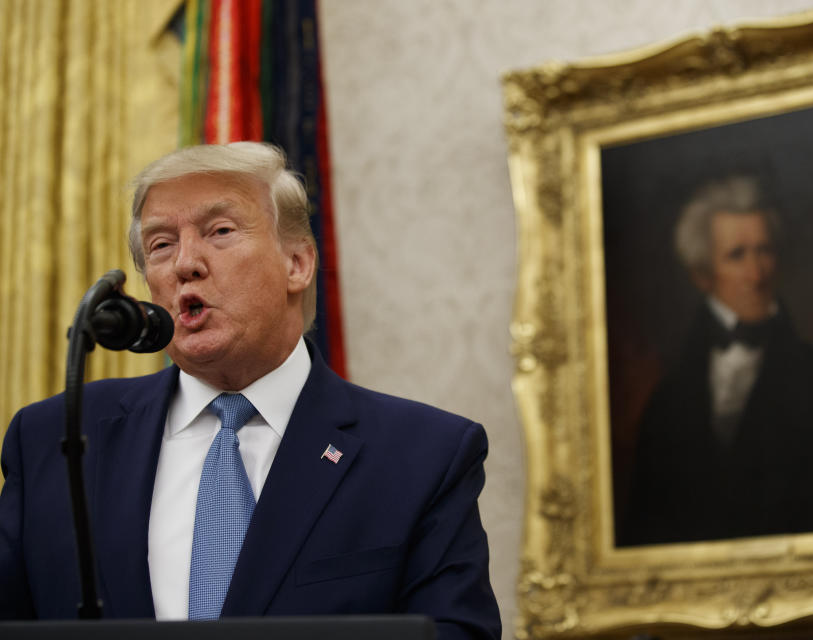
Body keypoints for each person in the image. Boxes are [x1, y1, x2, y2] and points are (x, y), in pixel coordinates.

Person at [0, 142, 501, 639]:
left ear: (297, 265)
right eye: (161, 245)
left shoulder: (423, 456)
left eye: (219, 231)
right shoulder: (53, 438)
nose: (185, 263)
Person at [616, 176, 813, 547]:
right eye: (737, 255)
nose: (756, 274)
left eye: (765, 251)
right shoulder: (667, 403)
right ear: (702, 275)